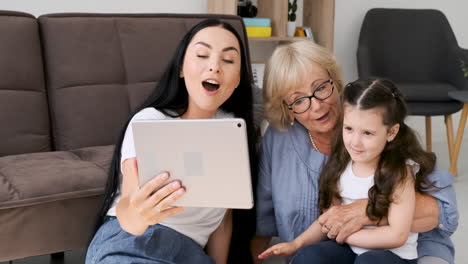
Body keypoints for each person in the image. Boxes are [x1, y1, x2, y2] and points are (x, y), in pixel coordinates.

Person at [252, 40, 458, 264]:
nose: (317, 106)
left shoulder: (371, 117)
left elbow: (441, 209)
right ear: (286, 108)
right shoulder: (278, 139)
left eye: (321, 87)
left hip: (404, 251)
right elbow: (265, 219)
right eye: (299, 100)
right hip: (339, 251)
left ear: (335, 81)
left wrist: (369, 210)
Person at [86, 19, 258, 264]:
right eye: (202, 54)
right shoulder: (149, 120)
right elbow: (128, 207)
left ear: (238, 78)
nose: (214, 67)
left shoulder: (233, 128)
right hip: (133, 242)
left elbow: (222, 222)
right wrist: (139, 214)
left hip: (189, 254)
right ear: (181, 68)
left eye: (228, 60)